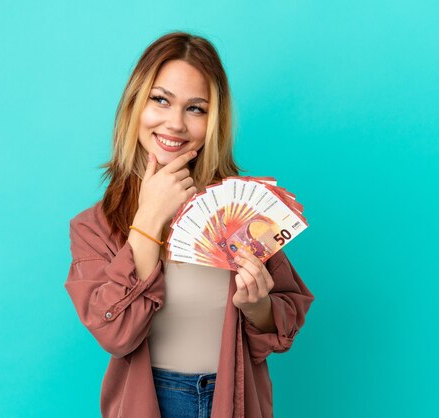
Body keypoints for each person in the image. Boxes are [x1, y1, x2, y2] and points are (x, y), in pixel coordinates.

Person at [64, 31, 315, 418]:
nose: (175, 123)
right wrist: (147, 220)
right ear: (135, 106)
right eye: (160, 100)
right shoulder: (94, 227)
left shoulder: (240, 213)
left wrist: (258, 306)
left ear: (214, 120)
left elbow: (282, 327)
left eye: (195, 108)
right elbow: (115, 333)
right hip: (149, 403)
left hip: (230, 400)